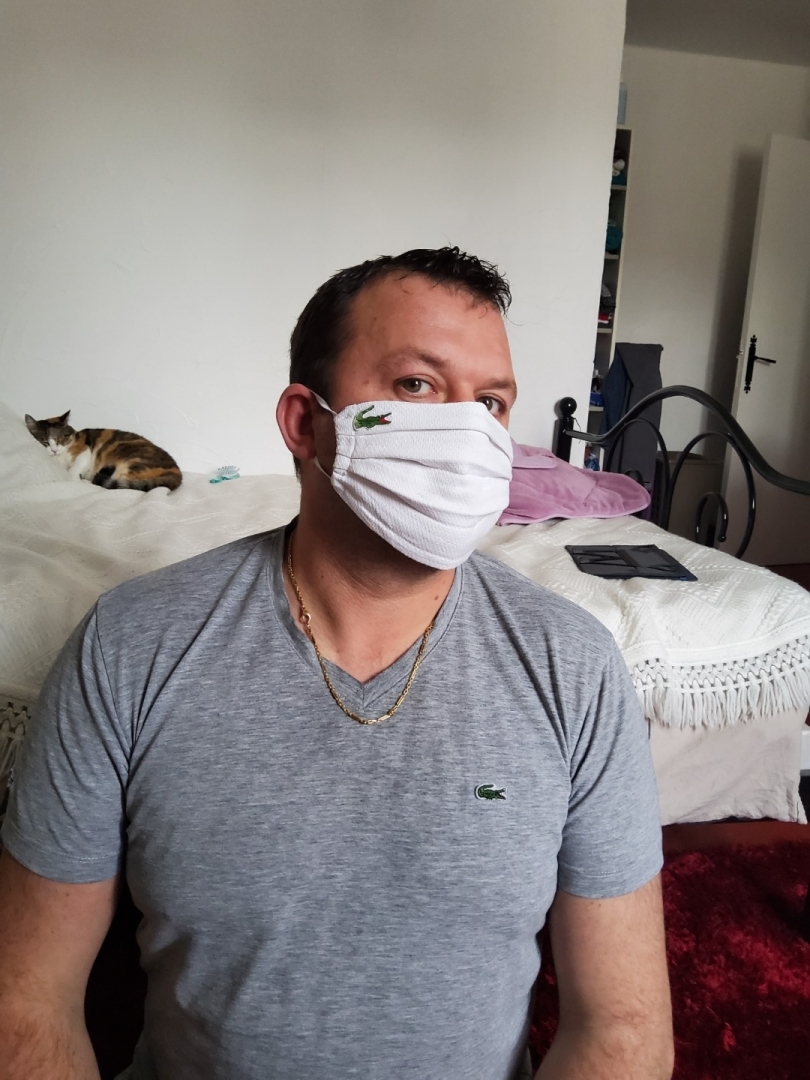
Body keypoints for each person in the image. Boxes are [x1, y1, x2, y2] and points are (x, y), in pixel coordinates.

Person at [0, 247, 674, 1080]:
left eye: (491, 402)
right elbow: (26, 1003)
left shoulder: (575, 666)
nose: (467, 432)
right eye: (417, 385)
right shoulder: (130, 646)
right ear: (304, 422)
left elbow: (623, 1031)